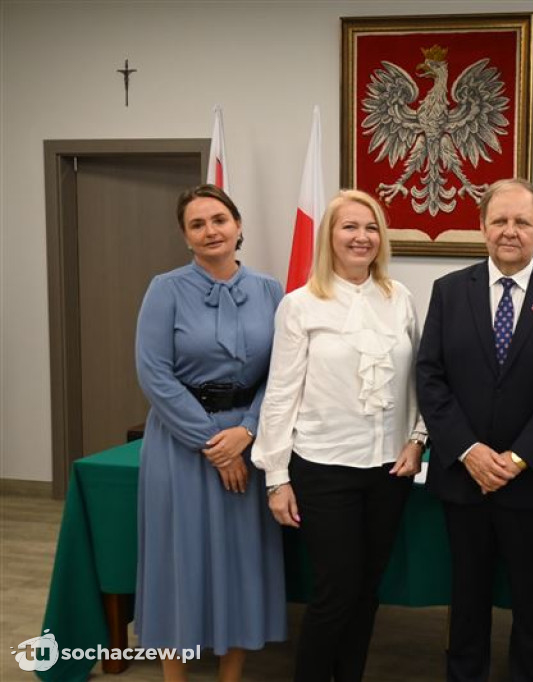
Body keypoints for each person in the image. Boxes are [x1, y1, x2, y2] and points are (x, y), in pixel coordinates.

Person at [416, 178, 533, 682]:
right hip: (463, 480)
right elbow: (430, 378)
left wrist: (515, 459)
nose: (510, 231)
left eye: (522, 222)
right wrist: (470, 451)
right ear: (482, 227)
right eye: (500, 221)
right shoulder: (449, 291)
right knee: (466, 604)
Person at [252, 189, 427, 682]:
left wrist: (417, 439)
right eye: (349, 226)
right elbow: (281, 394)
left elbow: (417, 380)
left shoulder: (400, 300)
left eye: (371, 228)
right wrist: (276, 477)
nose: (362, 237)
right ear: (330, 235)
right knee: (335, 593)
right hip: (323, 468)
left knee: (368, 590)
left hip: (389, 471)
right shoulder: (300, 305)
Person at [134, 184, 286, 682]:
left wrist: (246, 431)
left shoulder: (270, 290)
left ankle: (231, 675)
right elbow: (154, 374)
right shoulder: (165, 288)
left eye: (219, 219)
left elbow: (283, 373)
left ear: (238, 226)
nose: (210, 230)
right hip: (182, 445)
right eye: (197, 224)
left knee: (240, 561)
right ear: (186, 236)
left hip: (249, 438)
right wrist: (214, 446)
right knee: (178, 559)